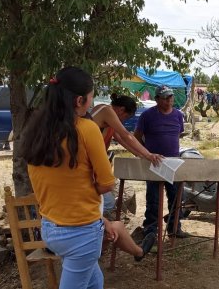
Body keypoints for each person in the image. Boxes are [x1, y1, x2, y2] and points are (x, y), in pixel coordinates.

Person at [21, 67, 150, 289]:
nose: (91, 104)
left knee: (94, 281)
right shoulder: (87, 128)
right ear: (79, 100)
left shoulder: (36, 128)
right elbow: (106, 184)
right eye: (90, 98)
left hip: (50, 228)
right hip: (80, 232)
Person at [88, 93, 163, 216]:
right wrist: (148, 154)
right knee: (106, 204)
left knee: (104, 203)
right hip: (86, 165)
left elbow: (122, 140)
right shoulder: (106, 110)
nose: (123, 120)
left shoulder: (110, 121)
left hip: (94, 167)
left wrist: (141, 155)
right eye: (126, 117)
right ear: (121, 109)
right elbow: (126, 135)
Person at [134, 85, 188, 238]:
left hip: (173, 162)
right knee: (153, 199)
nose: (169, 100)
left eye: (170, 97)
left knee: (177, 197)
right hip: (154, 163)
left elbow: (178, 134)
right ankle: (150, 230)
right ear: (157, 99)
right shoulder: (147, 116)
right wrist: (146, 153)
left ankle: (174, 228)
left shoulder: (178, 115)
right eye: (165, 98)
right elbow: (136, 136)